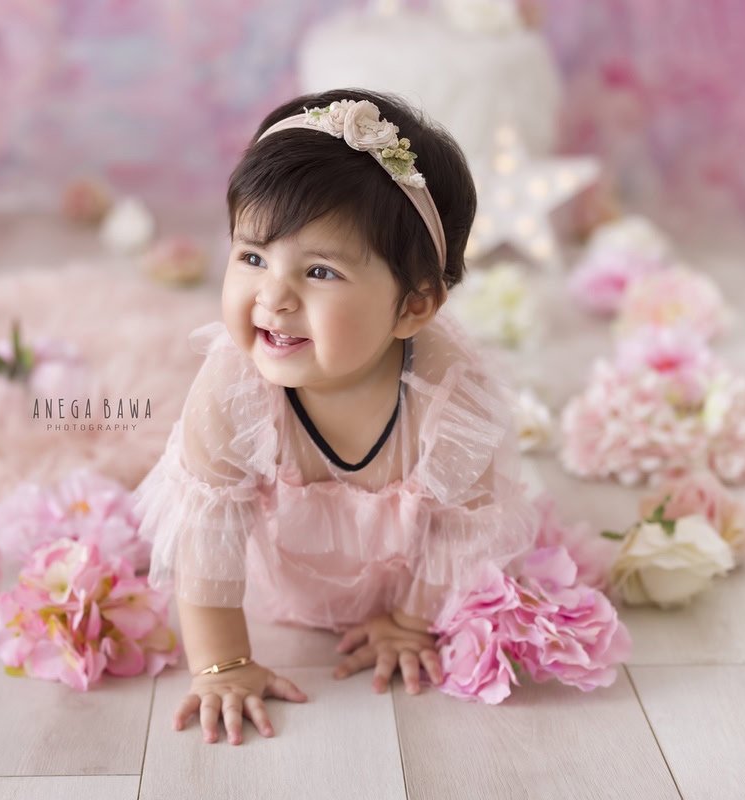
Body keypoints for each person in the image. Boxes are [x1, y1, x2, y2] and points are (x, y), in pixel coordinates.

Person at [132, 88, 537, 745]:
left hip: (407, 581)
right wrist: (222, 665)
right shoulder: (234, 391)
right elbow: (209, 533)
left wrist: (409, 622)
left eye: (319, 271)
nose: (273, 297)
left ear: (413, 306)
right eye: (253, 257)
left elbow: (458, 530)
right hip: (287, 577)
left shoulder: (449, 399)